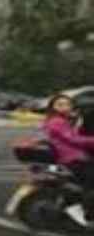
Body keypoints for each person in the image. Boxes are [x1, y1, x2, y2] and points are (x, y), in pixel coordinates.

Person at [42, 94, 94, 226]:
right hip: (72, 158)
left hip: (74, 156)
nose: (65, 107)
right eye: (60, 104)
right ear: (52, 107)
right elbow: (73, 139)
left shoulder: (63, 120)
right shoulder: (57, 122)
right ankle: (86, 213)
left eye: (67, 104)